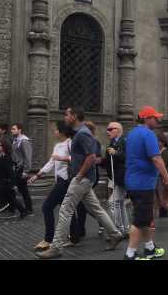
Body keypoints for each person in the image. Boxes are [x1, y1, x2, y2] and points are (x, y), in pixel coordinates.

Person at [35, 108, 123, 259]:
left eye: (67, 114)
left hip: (82, 178)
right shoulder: (79, 132)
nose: (65, 117)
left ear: (74, 116)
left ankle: (56, 247)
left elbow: (91, 157)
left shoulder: (82, 133)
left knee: (65, 210)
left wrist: (79, 175)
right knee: (96, 209)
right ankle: (115, 234)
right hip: (84, 178)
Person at [124, 106, 168, 260]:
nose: (158, 120)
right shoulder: (148, 134)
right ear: (146, 118)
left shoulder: (132, 133)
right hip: (143, 183)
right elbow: (156, 158)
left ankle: (150, 248)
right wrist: (167, 179)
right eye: (155, 117)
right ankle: (130, 253)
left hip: (133, 181)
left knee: (145, 217)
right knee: (140, 220)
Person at [28, 121, 81, 251]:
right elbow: (51, 162)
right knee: (68, 209)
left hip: (66, 180)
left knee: (47, 207)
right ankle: (74, 237)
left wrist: (61, 158)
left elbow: (77, 159)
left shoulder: (70, 143)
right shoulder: (57, 145)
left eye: (56, 130)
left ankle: (48, 239)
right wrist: (37, 175)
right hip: (59, 181)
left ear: (62, 132)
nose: (54, 132)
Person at [69, 121, 103, 244]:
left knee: (83, 205)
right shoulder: (81, 138)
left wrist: (85, 165)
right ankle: (104, 225)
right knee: (86, 204)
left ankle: (80, 230)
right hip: (83, 175)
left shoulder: (94, 141)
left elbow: (98, 158)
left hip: (88, 175)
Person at [99, 121, 131, 238]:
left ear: (118, 130)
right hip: (116, 177)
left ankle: (118, 229)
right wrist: (99, 161)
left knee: (113, 202)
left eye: (110, 129)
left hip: (123, 177)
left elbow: (128, 157)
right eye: (107, 129)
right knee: (120, 203)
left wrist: (116, 153)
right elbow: (108, 161)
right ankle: (126, 229)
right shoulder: (111, 143)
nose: (108, 131)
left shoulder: (125, 141)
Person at [10, 123, 34, 215]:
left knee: (22, 189)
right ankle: (27, 209)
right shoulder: (16, 140)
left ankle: (27, 209)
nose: (12, 130)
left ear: (20, 130)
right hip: (16, 168)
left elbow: (28, 157)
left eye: (14, 129)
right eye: (12, 129)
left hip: (21, 169)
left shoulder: (24, 141)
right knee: (23, 189)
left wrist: (26, 171)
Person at [0, 123, 14, 215]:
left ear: (3, 130)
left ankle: (6, 205)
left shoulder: (5, 141)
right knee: (2, 189)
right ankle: (10, 205)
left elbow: (9, 154)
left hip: (3, 170)